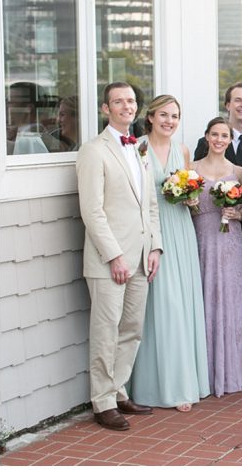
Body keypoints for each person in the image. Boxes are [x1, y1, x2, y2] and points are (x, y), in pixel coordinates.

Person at [76, 81, 162, 431]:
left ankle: (118, 389)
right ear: (105, 108)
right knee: (106, 330)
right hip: (108, 260)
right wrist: (114, 256)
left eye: (131, 101)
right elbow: (92, 211)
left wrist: (154, 246)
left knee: (132, 329)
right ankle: (102, 401)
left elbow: (150, 205)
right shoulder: (93, 151)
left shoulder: (140, 148)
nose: (127, 106)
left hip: (141, 256)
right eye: (118, 101)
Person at [128, 95, 210, 412]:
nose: (169, 121)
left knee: (183, 303)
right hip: (151, 230)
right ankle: (155, 385)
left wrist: (190, 198)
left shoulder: (183, 150)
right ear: (150, 117)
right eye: (164, 115)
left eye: (175, 116)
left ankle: (184, 382)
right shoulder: (137, 148)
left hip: (180, 229)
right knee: (160, 304)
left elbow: (190, 191)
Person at [194, 83, 242, 357]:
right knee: (208, 296)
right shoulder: (199, 156)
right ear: (228, 105)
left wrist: (240, 213)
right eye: (237, 100)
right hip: (209, 236)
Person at [191, 117, 242, 397]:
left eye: (224, 135)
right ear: (206, 136)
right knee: (203, 299)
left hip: (230, 243)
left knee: (229, 301)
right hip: (202, 240)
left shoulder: (239, 172)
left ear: (230, 140)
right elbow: (187, 209)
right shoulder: (191, 169)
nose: (219, 140)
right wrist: (191, 204)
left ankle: (230, 372)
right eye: (214, 134)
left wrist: (236, 213)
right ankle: (203, 374)